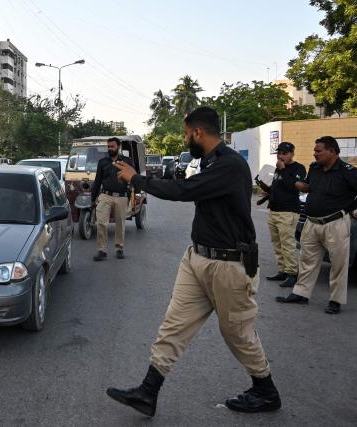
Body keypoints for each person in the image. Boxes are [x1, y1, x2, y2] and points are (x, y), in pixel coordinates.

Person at [106, 107, 280, 417]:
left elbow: (183, 191)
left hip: (229, 266)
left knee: (237, 333)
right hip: (197, 258)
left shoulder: (230, 166)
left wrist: (138, 180)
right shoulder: (210, 162)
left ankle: (265, 390)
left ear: (198, 133)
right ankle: (148, 392)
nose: (186, 140)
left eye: (187, 134)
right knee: (173, 326)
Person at [276, 136, 357, 314]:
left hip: (335, 224)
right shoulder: (315, 168)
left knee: (338, 264)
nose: (314, 154)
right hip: (312, 222)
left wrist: (349, 208)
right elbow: (309, 186)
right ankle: (301, 293)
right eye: (314, 150)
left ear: (332, 151)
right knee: (307, 261)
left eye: (318, 151)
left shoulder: (348, 171)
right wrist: (299, 184)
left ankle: (335, 300)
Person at [264, 142, 307, 288]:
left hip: (288, 211)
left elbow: (292, 186)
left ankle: (292, 274)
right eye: (279, 153)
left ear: (292, 154)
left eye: (284, 153)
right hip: (274, 210)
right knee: (277, 243)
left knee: (287, 244)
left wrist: (282, 170)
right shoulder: (278, 168)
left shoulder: (298, 168)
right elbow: (278, 186)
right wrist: (268, 192)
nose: (281, 156)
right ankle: (282, 270)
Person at [91, 137, 134, 261]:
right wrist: (93, 199)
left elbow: (133, 178)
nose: (110, 148)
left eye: (112, 146)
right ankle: (101, 250)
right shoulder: (102, 162)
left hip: (121, 197)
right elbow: (98, 181)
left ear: (118, 147)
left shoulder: (127, 161)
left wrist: (135, 195)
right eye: (108, 146)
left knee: (120, 224)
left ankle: (119, 248)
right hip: (105, 195)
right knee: (101, 222)